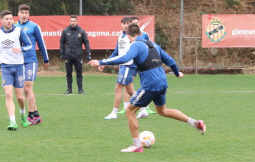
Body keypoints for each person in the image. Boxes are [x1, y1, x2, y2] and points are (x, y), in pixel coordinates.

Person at [88, 23, 206, 153]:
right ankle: (195, 123)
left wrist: (101, 61)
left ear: (128, 36)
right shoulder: (153, 45)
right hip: (162, 81)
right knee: (162, 111)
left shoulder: (136, 45)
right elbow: (170, 60)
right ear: (140, 33)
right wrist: (177, 73)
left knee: (129, 111)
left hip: (151, 84)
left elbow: (125, 58)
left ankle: (136, 145)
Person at [13, 4, 49, 125]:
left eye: (26, 13)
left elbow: (41, 43)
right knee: (25, 90)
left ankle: (30, 116)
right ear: (18, 14)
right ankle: (36, 115)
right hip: (18, 62)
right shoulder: (14, 27)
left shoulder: (34, 27)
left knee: (27, 88)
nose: (24, 15)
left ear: (29, 14)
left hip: (30, 61)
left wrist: (46, 59)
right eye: (22, 12)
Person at [100, 17, 136, 120]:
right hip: (123, 66)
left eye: (127, 23)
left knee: (118, 88)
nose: (125, 25)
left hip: (128, 66)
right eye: (123, 23)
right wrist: (106, 62)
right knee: (130, 91)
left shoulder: (132, 38)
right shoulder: (121, 37)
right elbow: (116, 53)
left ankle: (114, 113)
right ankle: (143, 107)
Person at [131, 16, 156, 118]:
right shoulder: (127, 35)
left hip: (142, 65)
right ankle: (141, 107)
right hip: (131, 64)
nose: (136, 24)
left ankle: (143, 107)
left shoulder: (144, 34)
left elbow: (150, 47)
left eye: (137, 22)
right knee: (129, 86)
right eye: (133, 23)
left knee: (142, 85)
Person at [60, 15, 91, 94]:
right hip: (68, 55)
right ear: (69, 22)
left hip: (78, 55)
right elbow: (62, 42)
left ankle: (80, 89)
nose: (73, 23)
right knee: (68, 73)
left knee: (79, 73)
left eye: (74, 21)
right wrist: (62, 53)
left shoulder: (81, 31)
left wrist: (88, 53)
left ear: (77, 22)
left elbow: (86, 42)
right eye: (71, 21)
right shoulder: (65, 31)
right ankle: (69, 89)